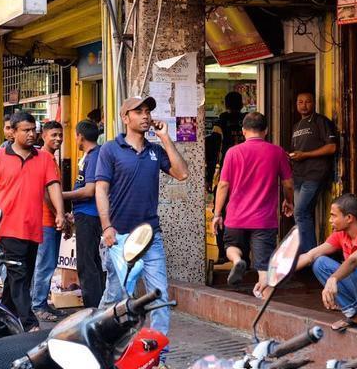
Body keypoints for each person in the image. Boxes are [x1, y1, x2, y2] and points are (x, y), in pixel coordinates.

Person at [95, 96, 189, 364]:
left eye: (148, 111)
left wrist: (166, 139)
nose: (146, 116)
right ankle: (101, 340)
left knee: (159, 295)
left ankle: (154, 352)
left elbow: (182, 174)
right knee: (117, 295)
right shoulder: (111, 149)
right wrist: (107, 227)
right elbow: (101, 189)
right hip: (120, 235)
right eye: (139, 111)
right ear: (126, 117)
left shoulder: (155, 151)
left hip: (151, 236)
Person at [0, 112, 64, 332]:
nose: (32, 134)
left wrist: (60, 212)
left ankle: (0, 319)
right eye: (26, 130)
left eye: (34, 129)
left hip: (33, 228)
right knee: (20, 275)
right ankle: (29, 323)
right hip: (7, 228)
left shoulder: (44, 158)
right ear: (13, 132)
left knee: (21, 276)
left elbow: (53, 186)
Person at [211, 112, 294, 289]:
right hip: (264, 220)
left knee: (232, 246)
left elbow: (223, 185)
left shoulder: (233, 152)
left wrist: (217, 214)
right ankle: (263, 302)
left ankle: (238, 260)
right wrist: (289, 201)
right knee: (264, 267)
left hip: (236, 216)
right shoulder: (277, 152)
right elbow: (288, 184)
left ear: (243, 131)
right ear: (266, 130)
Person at [296, 194, 357, 340]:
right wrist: (276, 274)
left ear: (349, 218)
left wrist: (333, 278)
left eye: (334, 216)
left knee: (356, 265)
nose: (330, 220)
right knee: (320, 262)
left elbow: (354, 260)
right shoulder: (341, 234)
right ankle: (355, 315)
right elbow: (311, 255)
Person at [62, 119, 104, 308]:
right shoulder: (90, 156)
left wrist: (59, 195)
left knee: (87, 264)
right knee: (92, 261)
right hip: (84, 214)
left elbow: (89, 190)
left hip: (90, 215)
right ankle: (98, 305)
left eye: (76, 135)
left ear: (80, 136)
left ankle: (92, 308)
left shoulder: (94, 156)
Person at [290, 92, 338, 253]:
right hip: (299, 176)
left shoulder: (321, 121)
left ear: (314, 104)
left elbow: (332, 147)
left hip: (314, 174)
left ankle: (310, 254)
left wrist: (306, 155)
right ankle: (307, 252)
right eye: (300, 102)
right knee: (302, 214)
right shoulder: (296, 126)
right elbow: (298, 151)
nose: (304, 105)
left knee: (300, 212)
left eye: (307, 102)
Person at [31, 120, 66, 322]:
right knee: (45, 265)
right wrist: (59, 214)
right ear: (43, 136)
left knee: (46, 264)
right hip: (45, 219)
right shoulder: (44, 157)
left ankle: (40, 303)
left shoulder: (49, 157)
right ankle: (39, 305)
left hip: (48, 219)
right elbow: (46, 193)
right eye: (53, 135)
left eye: (60, 135)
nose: (58, 139)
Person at [210, 92, 246, 264]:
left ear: (225, 104)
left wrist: (209, 177)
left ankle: (224, 253)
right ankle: (243, 255)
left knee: (221, 212)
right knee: (245, 212)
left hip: (226, 172)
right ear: (242, 103)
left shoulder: (221, 121)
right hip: (247, 174)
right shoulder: (248, 121)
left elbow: (214, 148)